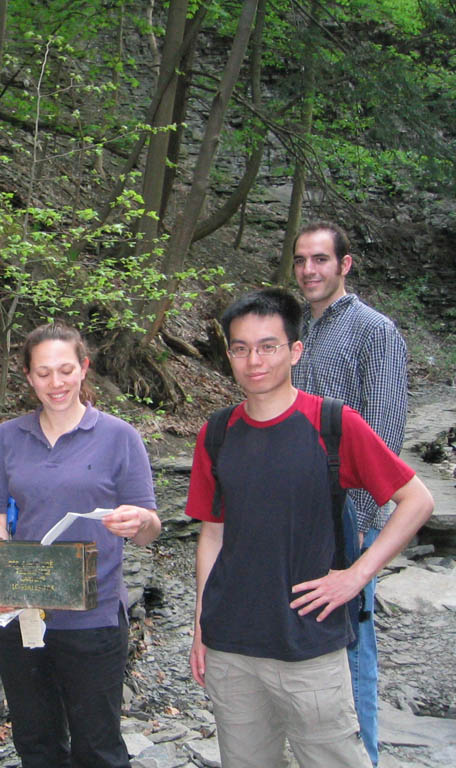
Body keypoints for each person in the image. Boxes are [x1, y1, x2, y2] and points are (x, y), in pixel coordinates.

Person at [186, 288, 433, 768]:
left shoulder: (332, 424)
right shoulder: (216, 434)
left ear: (295, 351)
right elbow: (212, 534)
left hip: (311, 649)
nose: (253, 360)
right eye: (240, 348)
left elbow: (416, 500)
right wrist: (200, 625)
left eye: (268, 346)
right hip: (231, 648)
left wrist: (356, 576)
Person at [0, 322, 161, 768]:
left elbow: (151, 527)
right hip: (25, 615)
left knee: (97, 748)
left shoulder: (120, 437)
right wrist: (0, 577)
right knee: (37, 745)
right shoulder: (7, 438)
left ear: (84, 368)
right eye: (43, 373)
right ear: (27, 376)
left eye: (65, 370)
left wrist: (137, 522)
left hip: (94, 620)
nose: (55, 383)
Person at [291, 221, 408, 765]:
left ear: (345, 264)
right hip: (298, 511)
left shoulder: (374, 331)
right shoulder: (301, 333)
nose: (309, 270)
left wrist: (359, 520)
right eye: (301, 260)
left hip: (348, 514)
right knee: (307, 626)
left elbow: (385, 430)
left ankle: (365, 756)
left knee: (352, 639)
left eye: (320, 259)